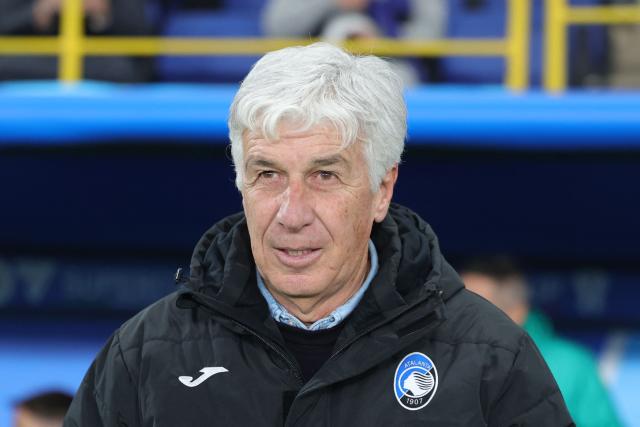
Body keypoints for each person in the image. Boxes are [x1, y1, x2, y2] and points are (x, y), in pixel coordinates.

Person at [64, 42, 573, 426]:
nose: (292, 212)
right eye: (268, 174)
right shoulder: (145, 355)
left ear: (381, 188)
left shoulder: (490, 358)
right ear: (240, 182)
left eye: (324, 176)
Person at [461, 256, 622, 427]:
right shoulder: (438, 360)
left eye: (474, 311)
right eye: (454, 306)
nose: (458, 317)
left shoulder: (570, 364)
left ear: (516, 312)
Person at [262, 0, 447, 84]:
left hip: (392, 68)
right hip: (316, 69)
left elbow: (430, 35)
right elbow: (277, 26)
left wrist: (383, 39)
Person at [0, 0, 152, 82]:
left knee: (123, 70)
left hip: (97, 62)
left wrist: (102, 15)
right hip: (30, 58)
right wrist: (37, 14)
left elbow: (138, 39)